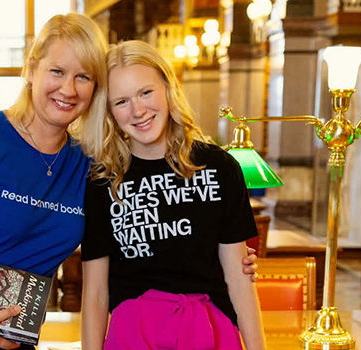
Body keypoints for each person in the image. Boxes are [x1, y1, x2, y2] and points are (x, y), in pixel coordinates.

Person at [0, 14, 258, 350]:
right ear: (31, 70)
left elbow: (153, 224)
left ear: (95, 91)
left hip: (11, 330)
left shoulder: (88, 164)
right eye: (57, 71)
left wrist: (222, 257)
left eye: (83, 77)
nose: (69, 89)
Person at [78, 40, 266, 350]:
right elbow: (95, 292)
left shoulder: (219, 167)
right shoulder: (102, 181)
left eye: (146, 92)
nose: (138, 110)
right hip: (133, 335)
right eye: (121, 101)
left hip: (209, 330)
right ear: (109, 111)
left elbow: (239, 277)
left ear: (167, 87)